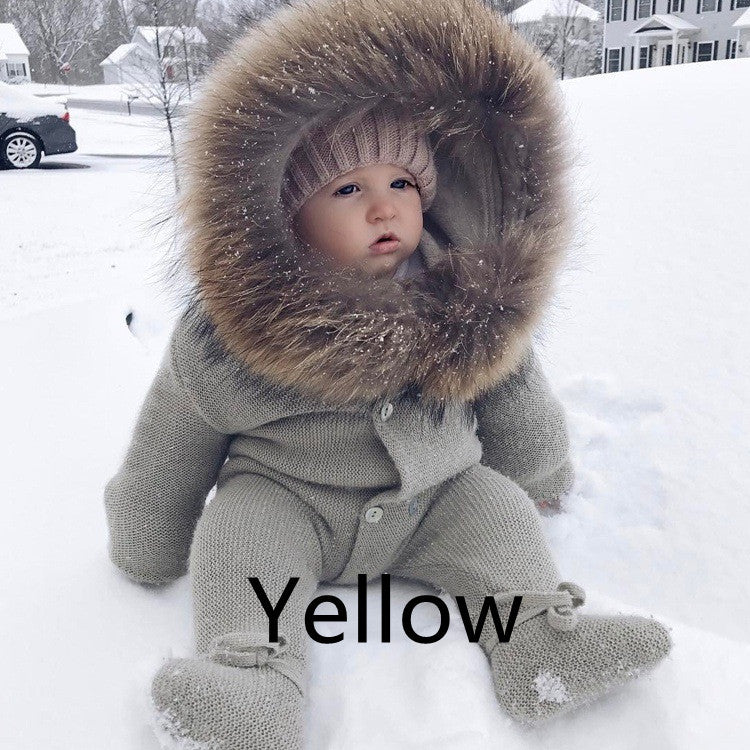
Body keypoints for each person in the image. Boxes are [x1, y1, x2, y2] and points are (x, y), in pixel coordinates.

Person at [103, 1, 672, 747]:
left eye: (401, 183)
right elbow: (175, 429)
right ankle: (253, 681)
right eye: (346, 190)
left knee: (495, 509)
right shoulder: (235, 325)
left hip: (435, 499)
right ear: (283, 213)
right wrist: (149, 535)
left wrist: (539, 470)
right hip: (289, 500)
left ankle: (538, 645)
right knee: (238, 536)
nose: (384, 207)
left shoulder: (464, 292)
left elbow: (512, 386)